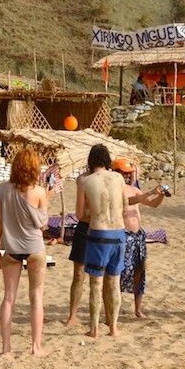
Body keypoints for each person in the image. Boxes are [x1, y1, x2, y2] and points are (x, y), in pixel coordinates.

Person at [0, 148, 53, 356]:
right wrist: (48, 197)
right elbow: (43, 225)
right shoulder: (39, 192)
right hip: (34, 247)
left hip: (11, 248)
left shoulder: (1, 190)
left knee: (8, 298)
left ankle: (6, 347)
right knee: (36, 297)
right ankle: (36, 346)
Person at [79, 144, 128, 338]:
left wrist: (94, 214)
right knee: (115, 282)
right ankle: (113, 327)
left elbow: (80, 214)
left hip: (99, 233)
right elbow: (125, 207)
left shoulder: (86, 181)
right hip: (118, 232)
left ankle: (94, 329)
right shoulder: (119, 178)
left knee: (96, 283)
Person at [113, 159, 166, 319]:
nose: (127, 176)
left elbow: (153, 204)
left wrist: (161, 195)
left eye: (128, 174)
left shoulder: (134, 189)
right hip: (123, 235)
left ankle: (137, 309)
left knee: (139, 271)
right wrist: (150, 192)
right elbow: (128, 201)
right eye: (124, 173)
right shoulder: (114, 190)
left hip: (138, 236)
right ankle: (115, 306)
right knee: (121, 272)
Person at [64, 164, 95, 327]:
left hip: (101, 227)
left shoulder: (110, 179)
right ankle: (73, 315)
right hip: (85, 226)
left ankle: (101, 315)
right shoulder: (83, 179)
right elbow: (80, 213)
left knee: (98, 276)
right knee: (78, 274)